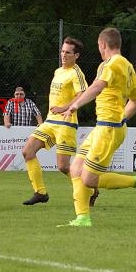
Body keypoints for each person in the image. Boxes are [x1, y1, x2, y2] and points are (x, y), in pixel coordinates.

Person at [58, 27, 136, 228]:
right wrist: (122, 118)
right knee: (75, 168)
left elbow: (97, 87)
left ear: (103, 45)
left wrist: (75, 104)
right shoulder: (127, 66)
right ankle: (82, 218)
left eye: (99, 47)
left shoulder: (114, 62)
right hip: (104, 127)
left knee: (89, 179)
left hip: (108, 129)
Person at [21, 37, 99, 205]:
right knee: (27, 151)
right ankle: (40, 192)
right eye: (62, 51)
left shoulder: (76, 73)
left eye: (68, 52)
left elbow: (82, 95)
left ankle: (90, 189)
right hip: (50, 122)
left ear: (76, 55)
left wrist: (65, 107)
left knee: (63, 167)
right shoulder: (58, 71)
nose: (64, 55)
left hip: (66, 123)